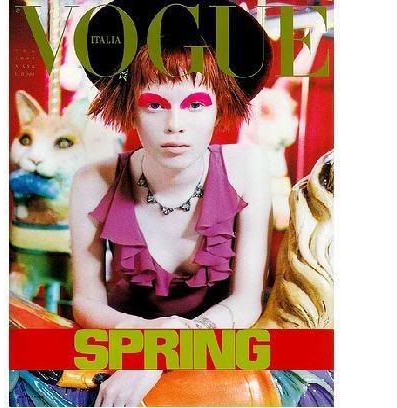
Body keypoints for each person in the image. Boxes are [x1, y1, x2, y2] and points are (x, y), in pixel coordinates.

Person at [69, 0, 273, 406]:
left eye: (195, 103)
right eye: (154, 104)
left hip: (221, 352)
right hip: (120, 346)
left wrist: (168, 350)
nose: (175, 125)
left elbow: (247, 301)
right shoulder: (93, 181)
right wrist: (146, 341)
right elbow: (86, 301)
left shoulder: (247, 168)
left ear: (219, 105)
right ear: (129, 106)